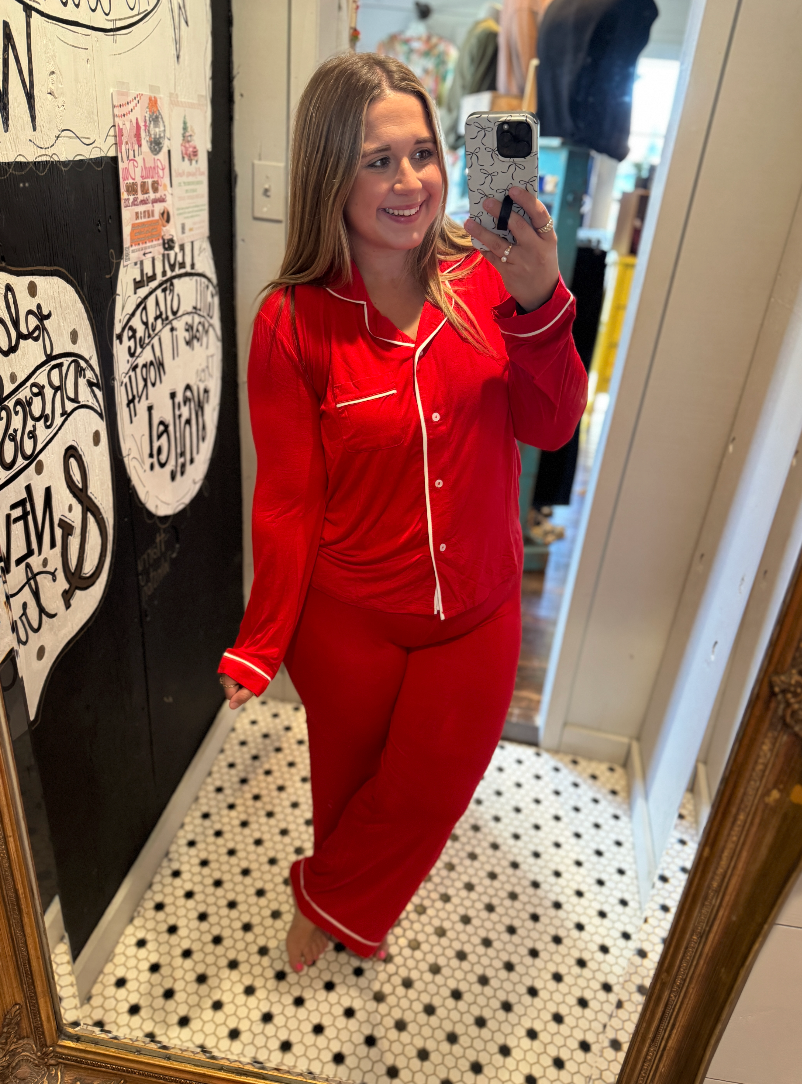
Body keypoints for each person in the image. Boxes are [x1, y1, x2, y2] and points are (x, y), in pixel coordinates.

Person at [217, 52, 587, 972]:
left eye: (423, 153)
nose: (412, 181)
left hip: (478, 607)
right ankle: (344, 907)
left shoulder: (491, 278)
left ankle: (329, 895)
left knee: (426, 793)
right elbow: (288, 497)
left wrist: (541, 299)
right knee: (348, 789)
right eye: (379, 161)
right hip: (349, 619)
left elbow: (550, 424)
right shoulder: (290, 323)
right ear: (328, 175)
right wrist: (261, 641)